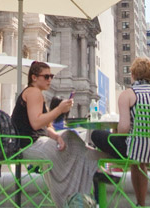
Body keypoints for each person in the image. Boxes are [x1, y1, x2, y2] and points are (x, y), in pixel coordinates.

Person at [13, 60, 103, 208]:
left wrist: (57, 137)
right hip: (28, 146)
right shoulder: (33, 92)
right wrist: (59, 110)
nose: (50, 80)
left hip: (32, 143)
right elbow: (36, 123)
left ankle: (78, 194)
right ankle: (79, 193)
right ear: (34, 77)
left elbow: (45, 127)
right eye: (46, 76)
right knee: (75, 146)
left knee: (71, 140)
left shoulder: (37, 94)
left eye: (51, 76)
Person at [92, 57, 150, 207]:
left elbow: (124, 129)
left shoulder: (129, 94)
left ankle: (101, 170)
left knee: (96, 135)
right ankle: (140, 203)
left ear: (133, 75)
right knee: (137, 157)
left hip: (137, 150)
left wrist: (115, 132)